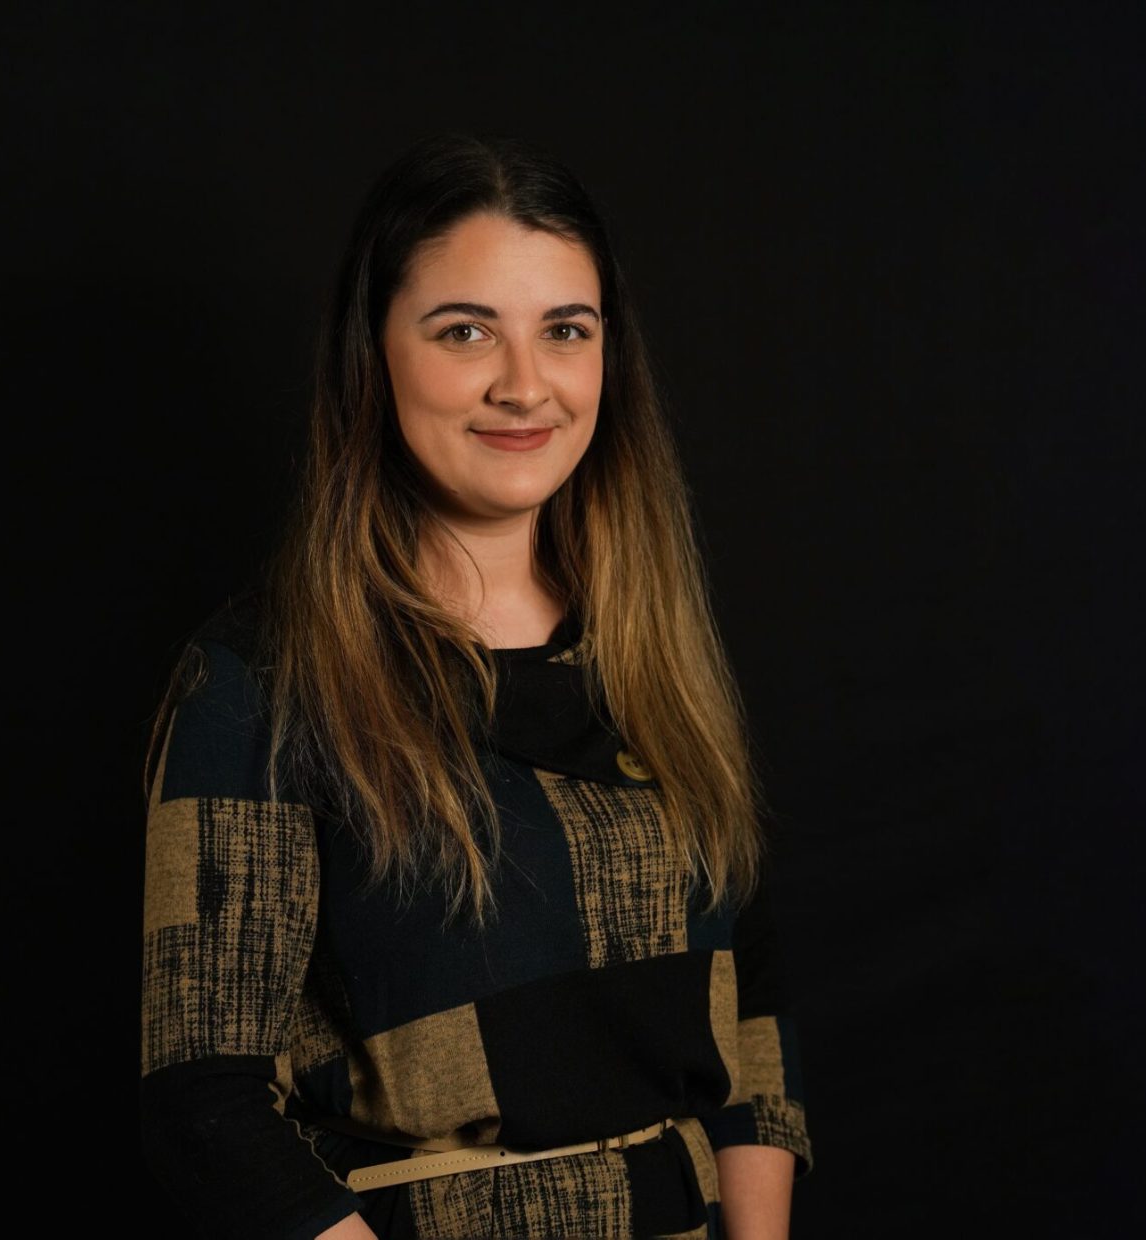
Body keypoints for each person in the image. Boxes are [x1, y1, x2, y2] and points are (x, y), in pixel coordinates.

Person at [139, 133, 812, 1240]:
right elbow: (204, 1102)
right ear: (375, 353)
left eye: (564, 331)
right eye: (464, 331)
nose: (523, 384)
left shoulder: (651, 654)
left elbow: (751, 1012)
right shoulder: (258, 682)